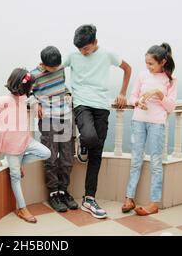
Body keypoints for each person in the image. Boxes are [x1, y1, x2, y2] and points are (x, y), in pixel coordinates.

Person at [64, 24, 132, 219]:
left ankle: (89, 198)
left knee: (97, 153)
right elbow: (55, 69)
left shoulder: (107, 54)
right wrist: (67, 90)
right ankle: (83, 145)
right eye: (80, 49)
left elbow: (127, 68)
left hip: (102, 106)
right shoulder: (72, 55)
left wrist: (122, 93)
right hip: (82, 104)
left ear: (95, 43)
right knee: (90, 137)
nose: (83, 52)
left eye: (86, 48)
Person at [0, 68, 51, 223]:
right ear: (22, 86)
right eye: (30, 86)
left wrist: (37, 105)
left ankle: (19, 164)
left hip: (25, 141)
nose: (32, 88)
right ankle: (22, 208)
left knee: (46, 153)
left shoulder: (25, 99)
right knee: (15, 177)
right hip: (11, 146)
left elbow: (33, 98)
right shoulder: (4, 100)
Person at [122, 43, 177, 216]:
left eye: (151, 64)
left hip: (156, 124)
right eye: (146, 63)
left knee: (155, 163)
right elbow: (132, 96)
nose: (148, 67)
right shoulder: (142, 75)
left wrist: (159, 94)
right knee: (136, 160)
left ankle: (154, 203)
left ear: (162, 62)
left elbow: (170, 107)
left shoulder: (170, 81)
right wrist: (137, 102)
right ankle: (129, 198)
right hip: (138, 121)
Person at [30, 46, 77, 212]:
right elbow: (28, 93)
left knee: (67, 158)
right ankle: (53, 193)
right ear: (43, 63)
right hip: (48, 119)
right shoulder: (33, 75)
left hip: (65, 116)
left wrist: (68, 92)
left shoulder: (61, 68)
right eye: (53, 67)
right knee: (51, 158)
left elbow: (62, 86)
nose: (56, 69)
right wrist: (35, 103)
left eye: (58, 66)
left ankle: (64, 191)